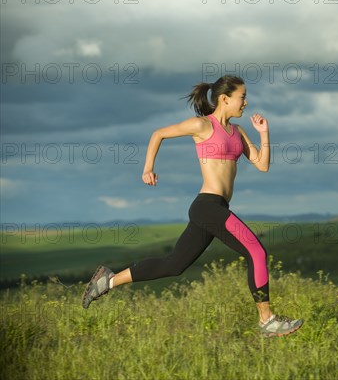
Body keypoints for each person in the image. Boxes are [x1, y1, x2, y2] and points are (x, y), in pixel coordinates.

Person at [81, 75, 303, 337]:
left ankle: (107, 281)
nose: (246, 102)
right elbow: (159, 134)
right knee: (256, 252)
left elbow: (262, 165)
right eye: (242, 97)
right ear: (225, 99)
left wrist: (264, 134)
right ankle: (267, 321)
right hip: (207, 206)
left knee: (174, 265)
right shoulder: (202, 126)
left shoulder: (238, 132)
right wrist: (148, 168)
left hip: (215, 208)